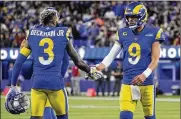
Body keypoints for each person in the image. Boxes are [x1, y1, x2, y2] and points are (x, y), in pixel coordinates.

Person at [6, 7, 103, 119]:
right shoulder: (63, 33)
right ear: (53, 20)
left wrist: (13, 85)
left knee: (35, 117)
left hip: (37, 83)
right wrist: (89, 70)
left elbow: (18, 62)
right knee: (62, 116)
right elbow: (77, 61)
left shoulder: (32, 33)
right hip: (55, 83)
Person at [96, 2, 164, 119]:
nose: (131, 20)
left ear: (143, 16)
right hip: (128, 81)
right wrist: (98, 67)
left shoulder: (154, 32)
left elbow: (155, 60)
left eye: (134, 17)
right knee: (125, 115)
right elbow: (111, 55)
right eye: (129, 17)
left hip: (146, 82)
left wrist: (144, 75)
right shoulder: (123, 33)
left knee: (149, 116)